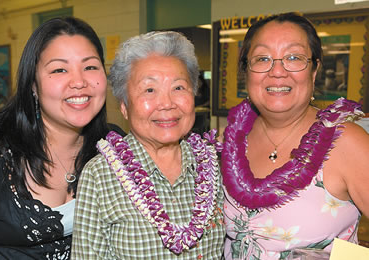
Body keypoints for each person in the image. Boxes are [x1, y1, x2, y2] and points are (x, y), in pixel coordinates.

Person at [221, 12, 369, 259]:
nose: (277, 71)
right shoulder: (232, 140)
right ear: (246, 71)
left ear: (314, 70)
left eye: (293, 57)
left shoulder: (346, 142)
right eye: (262, 58)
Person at [0, 17, 124, 259]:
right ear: (33, 85)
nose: (79, 82)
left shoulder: (113, 146)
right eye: (59, 69)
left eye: (90, 67)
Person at [72, 31, 225, 259]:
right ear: (124, 106)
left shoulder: (214, 163)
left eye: (179, 87)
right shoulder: (99, 176)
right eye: (149, 90)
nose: (166, 103)